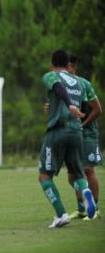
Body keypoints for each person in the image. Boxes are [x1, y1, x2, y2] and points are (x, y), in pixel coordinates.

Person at [38, 49, 96, 228]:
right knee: (78, 173)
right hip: (77, 132)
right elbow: (84, 106)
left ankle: (61, 214)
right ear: (68, 64)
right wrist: (69, 105)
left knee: (44, 176)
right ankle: (86, 191)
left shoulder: (50, 76)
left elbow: (58, 88)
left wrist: (69, 104)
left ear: (52, 64)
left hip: (58, 131)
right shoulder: (80, 82)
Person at [66, 54, 102, 220]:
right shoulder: (61, 86)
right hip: (71, 132)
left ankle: (95, 209)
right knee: (73, 174)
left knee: (87, 169)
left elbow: (97, 110)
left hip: (87, 133)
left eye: (67, 67)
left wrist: (82, 124)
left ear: (73, 68)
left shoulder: (84, 84)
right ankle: (82, 209)